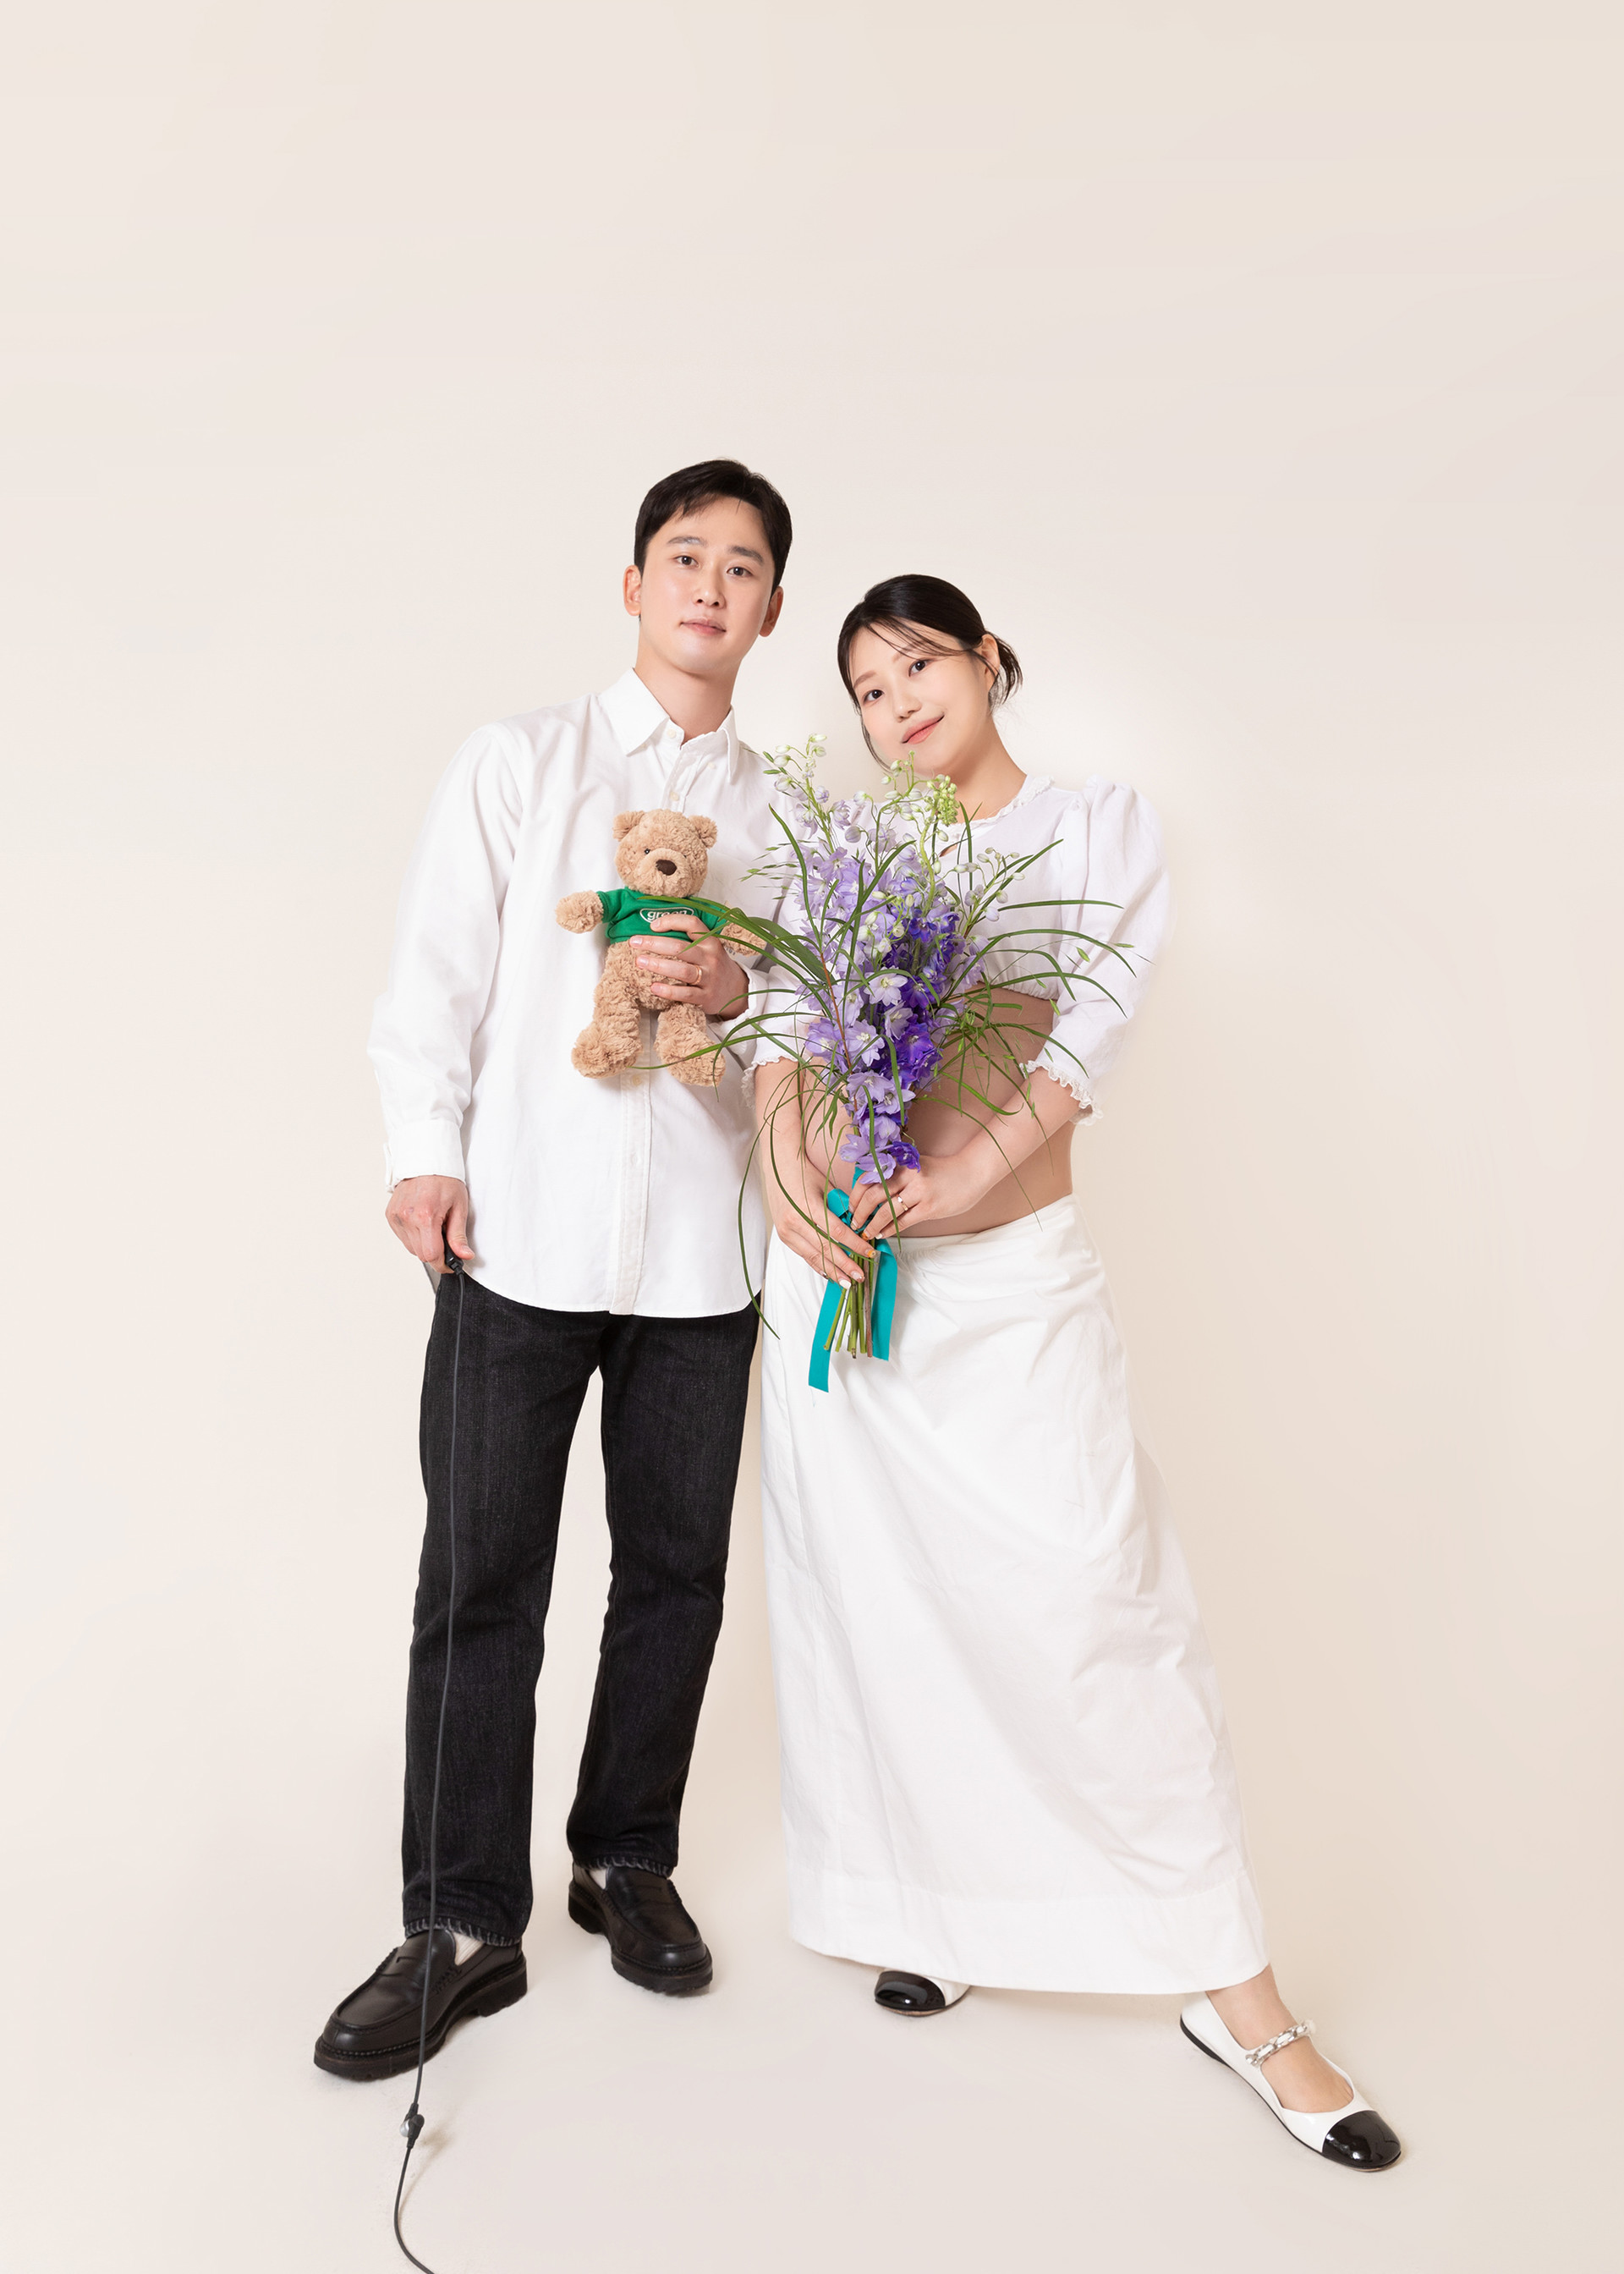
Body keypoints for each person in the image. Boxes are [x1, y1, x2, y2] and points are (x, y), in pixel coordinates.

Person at [752, 574, 1402, 2169]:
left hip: (1011, 1281)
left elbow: (1087, 1031)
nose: (896, 704)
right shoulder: (858, 848)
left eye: (918, 665)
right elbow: (781, 1024)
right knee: (890, 1610)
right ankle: (947, 1905)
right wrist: (788, 1174)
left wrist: (971, 1179)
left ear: (988, 661)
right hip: (849, 1286)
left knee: (1101, 1608)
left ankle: (1243, 2004)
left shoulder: (1097, 824)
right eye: (866, 689)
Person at [315, 459, 791, 2081]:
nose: (710, 586)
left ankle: (623, 1859)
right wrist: (423, 1151)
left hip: (705, 1256)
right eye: (685, 556)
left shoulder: (784, 818)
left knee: (676, 1575)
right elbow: (435, 970)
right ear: (636, 583)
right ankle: (459, 1920)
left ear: (771, 607)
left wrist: (736, 989)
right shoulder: (521, 760)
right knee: (480, 1578)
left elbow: (812, 1039)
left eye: (742, 566)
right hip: (517, 1229)